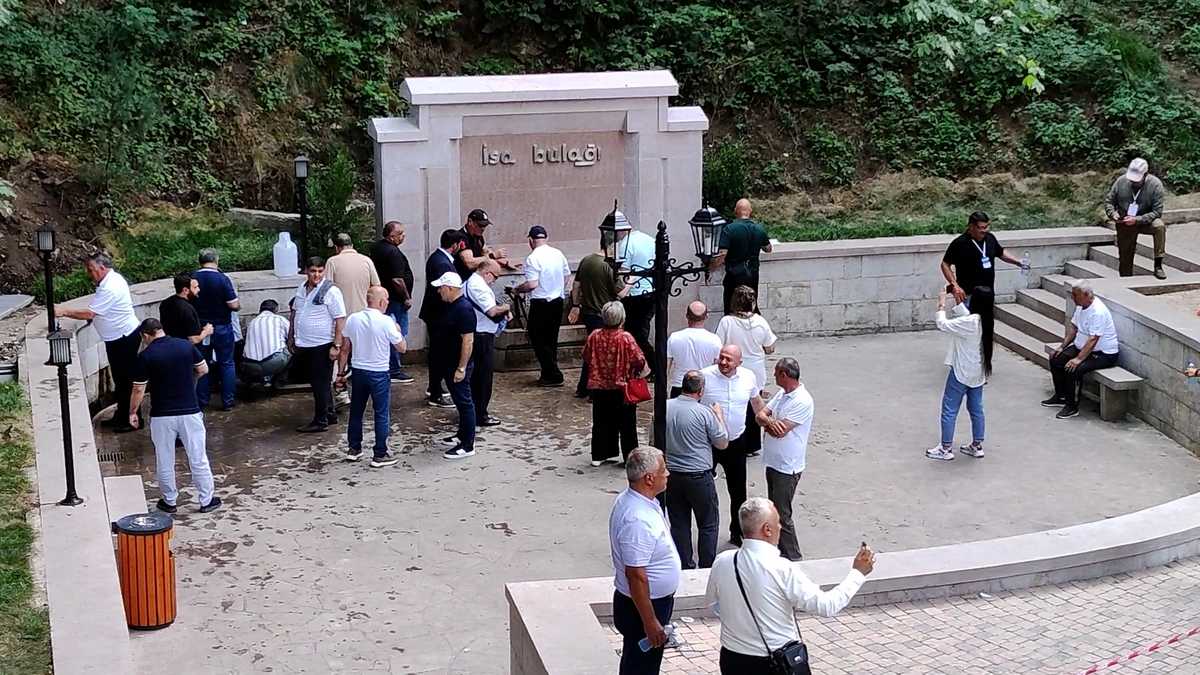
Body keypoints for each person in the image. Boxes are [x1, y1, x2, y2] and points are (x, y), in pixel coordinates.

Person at [706, 498, 874, 675]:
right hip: (773, 663)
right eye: (777, 522)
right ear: (767, 529)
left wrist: (740, 620)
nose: (780, 527)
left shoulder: (723, 561)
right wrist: (858, 573)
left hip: (732, 659)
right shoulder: (782, 569)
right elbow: (826, 605)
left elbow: (713, 605)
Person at [127, 318, 220, 514]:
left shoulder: (146, 355)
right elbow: (203, 369)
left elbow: (138, 389)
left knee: (165, 459)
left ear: (145, 335)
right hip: (190, 411)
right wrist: (190, 380)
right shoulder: (185, 346)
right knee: (198, 457)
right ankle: (206, 500)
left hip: (162, 415)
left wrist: (133, 412)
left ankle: (169, 501)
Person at [608, 447, 681, 675]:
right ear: (649, 478)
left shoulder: (638, 502)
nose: (667, 473)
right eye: (663, 469)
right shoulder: (637, 520)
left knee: (640, 662)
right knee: (641, 667)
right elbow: (636, 575)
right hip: (642, 607)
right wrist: (649, 621)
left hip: (646, 603)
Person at [54, 253, 142, 432]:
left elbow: (90, 312)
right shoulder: (110, 281)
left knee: (126, 381)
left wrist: (64, 312)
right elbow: (100, 310)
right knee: (121, 380)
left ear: (101, 268)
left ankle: (133, 420)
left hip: (123, 338)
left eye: (90, 270)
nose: (89, 274)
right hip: (118, 337)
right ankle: (122, 414)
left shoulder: (110, 286)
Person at [700, 345, 764, 546]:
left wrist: (770, 424)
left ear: (739, 363)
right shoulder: (705, 376)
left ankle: (738, 532)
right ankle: (706, 532)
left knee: (738, 491)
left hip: (736, 442)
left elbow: (756, 404)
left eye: (729, 359)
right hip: (707, 443)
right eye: (721, 357)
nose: (723, 362)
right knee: (702, 489)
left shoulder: (748, 377)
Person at [664, 370, 728, 569]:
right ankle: (707, 567)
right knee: (708, 524)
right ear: (701, 391)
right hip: (699, 477)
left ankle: (684, 566)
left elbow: (653, 441)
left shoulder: (664, 408)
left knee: (679, 524)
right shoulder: (704, 413)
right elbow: (722, 443)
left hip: (672, 476)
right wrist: (719, 416)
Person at [337, 286, 406, 468]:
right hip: (379, 372)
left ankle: (354, 448)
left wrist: (340, 373)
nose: (388, 302)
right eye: (387, 299)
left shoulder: (353, 319)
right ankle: (380, 454)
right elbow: (402, 348)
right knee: (381, 413)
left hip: (358, 370)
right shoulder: (386, 321)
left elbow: (345, 349)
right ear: (381, 302)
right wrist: (398, 330)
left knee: (356, 411)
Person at [753, 358, 813, 562]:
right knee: (775, 509)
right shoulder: (782, 394)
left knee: (782, 514)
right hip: (773, 461)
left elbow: (780, 431)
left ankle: (793, 556)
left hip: (787, 465)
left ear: (784, 375)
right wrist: (770, 422)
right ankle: (780, 551)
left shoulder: (802, 400)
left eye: (776, 373)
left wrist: (767, 422)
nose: (774, 376)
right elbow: (760, 415)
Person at [926, 286, 995, 461]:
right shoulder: (987, 320)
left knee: (949, 408)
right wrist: (957, 300)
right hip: (978, 373)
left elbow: (943, 324)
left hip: (961, 371)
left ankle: (945, 448)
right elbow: (967, 316)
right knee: (976, 408)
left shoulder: (969, 323)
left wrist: (941, 304)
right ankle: (977, 445)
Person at [582, 301, 648, 467]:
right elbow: (638, 359)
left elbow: (586, 355)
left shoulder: (594, 335)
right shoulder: (625, 338)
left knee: (601, 421)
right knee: (627, 424)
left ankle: (599, 455)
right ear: (622, 318)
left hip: (599, 386)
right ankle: (629, 457)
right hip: (622, 387)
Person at [1043, 279, 1120, 420]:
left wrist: (1078, 359)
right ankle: (1061, 395)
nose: (1072, 298)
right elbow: (1073, 328)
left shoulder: (1098, 312)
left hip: (1103, 354)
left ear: (1086, 295)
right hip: (1082, 347)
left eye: (1075, 295)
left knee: (1073, 369)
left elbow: (1093, 339)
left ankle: (1072, 406)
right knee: (1056, 359)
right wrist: (1062, 347)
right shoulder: (1081, 306)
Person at [716, 286, 777, 457]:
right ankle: (752, 444)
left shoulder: (727, 322)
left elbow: (718, 344)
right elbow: (770, 348)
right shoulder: (761, 322)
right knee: (754, 406)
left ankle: (733, 441)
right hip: (755, 370)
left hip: (734, 369)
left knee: (733, 405)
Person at [289, 257, 347, 433]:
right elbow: (295, 312)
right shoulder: (302, 288)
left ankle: (320, 420)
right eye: (313, 271)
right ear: (306, 271)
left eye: (320, 271)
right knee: (319, 383)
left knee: (320, 384)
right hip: (306, 343)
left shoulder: (331, 291)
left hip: (321, 344)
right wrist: (291, 336)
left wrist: (336, 345)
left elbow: (340, 319)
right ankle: (329, 414)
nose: (317, 275)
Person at [570, 242, 633, 399]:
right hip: (605, 315)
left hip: (588, 313)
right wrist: (631, 280)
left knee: (592, 350)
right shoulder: (609, 266)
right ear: (611, 247)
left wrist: (575, 305)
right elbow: (621, 293)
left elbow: (576, 286)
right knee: (602, 354)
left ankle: (583, 387)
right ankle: (594, 390)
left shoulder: (586, 260)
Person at [513, 225, 571, 387]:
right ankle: (548, 373)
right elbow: (566, 275)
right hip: (557, 301)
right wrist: (557, 288)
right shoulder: (558, 253)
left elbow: (532, 284)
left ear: (531, 241)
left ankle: (553, 373)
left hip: (541, 303)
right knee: (551, 338)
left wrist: (518, 289)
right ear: (546, 238)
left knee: (537, 338)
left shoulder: (533, 258)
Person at [431, 272, 478, 460]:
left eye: (441, 288)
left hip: (456, 365)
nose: (439, 291)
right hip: (448, 363)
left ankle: (467, 444)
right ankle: (461, 435)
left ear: (449, 288)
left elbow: (468, 340)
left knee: (465, 403)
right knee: (460, 402)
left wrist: (461, 368)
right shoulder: (453, 306)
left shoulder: (463, 309)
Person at [940, 211, 1026, 307]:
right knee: (969, 316)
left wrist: (1016, 261)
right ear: (971, 226)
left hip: (988, 293)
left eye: (986, 227)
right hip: (968, 295)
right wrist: (955, 285)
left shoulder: (990, 238)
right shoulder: (959, 243)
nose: (983, 231)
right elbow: (945, 264)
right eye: (980, 228)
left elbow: (1000, 252)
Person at [419, 229, 464, 409]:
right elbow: (445, 294)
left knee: (437, 352)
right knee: (439, 353)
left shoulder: (438, 258)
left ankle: (435, 387)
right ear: (454, 245)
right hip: (438, 315)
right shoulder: (442, 263)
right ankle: (436, 393)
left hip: (435, 314)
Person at [192, 248, 242, 412]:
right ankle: (228, 401)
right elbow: (233, 305)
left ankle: (202, 400)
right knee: (226, 363)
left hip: (201, 328)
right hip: (221, 327)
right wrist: (238, 306)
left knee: (201, 363)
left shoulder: (193, 278)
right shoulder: (222, 279)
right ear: (216, 260)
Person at [465, 259, 511, 428]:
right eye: (495, 276)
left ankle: (475, 411)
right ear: (486, 272)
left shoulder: (471, 282)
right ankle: (480, 414)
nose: (494, 281)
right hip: (482, 335)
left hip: (479, 333)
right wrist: (506, 307)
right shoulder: (479, 287)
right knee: (482, 377)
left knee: (477, 376)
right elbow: (491, 311)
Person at [369, 220, 415, 383]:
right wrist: (406, 298)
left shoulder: (377, 248)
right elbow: (397, 279)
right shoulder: (392, 253)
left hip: (384, 298)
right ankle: (394, 369)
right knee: (396, 332)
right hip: (395, 300)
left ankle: (390, 366)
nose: (403, 236)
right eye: (400, 234)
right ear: (391, 236)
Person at [1106, 158, 1168, 279]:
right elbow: (1109, 201)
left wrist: (1138, 219)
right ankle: (1125, 275)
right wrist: (1112, 213)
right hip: (1125, 221)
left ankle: (1158, 264)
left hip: (1146, 220)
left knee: (1159, 226)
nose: (1134, 182)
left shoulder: (1155, 185)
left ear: (1145, 175)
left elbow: (1157, 212)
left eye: (1137, 180)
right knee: (1125, 256)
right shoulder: (1121, 181)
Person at [711, 199, 771, 316]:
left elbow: (722, 255)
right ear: (750, 211)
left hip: (734, 274)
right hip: (753, 274)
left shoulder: (729, 229)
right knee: (751, 306)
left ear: (735, 211)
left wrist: (711, 270)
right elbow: (768, 249)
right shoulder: (759, 229)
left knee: (731, 308)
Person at [619, 223, 657, 378]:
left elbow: (623, 271)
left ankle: (651, 366)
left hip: (634, 294)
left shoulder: (626, 244)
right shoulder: (649, 239)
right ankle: (644, 366)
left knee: (635, 334)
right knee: (641, 331)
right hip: (651, 291)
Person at [666, 302, 722, 399]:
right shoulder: (714, 339)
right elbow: (718, 367)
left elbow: (666, 366)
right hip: (704, 387)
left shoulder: (674, 337)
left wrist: (663, 388)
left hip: (680, 385)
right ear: (706, 316)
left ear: (687, 315)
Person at [453, 208, 520, 279]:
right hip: (463, 279)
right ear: (470, 222)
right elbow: (470, 263)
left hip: (476, 278)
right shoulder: (462, 237)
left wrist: (505, 262)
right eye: (480, 225)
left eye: (485, 226)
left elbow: (486, 252)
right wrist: (492, 256)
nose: (483, 228)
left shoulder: (478, 236)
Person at [325, 233, 381, 315]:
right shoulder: (367, 261)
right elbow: (377, 287)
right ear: (352, 245)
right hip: (363, 313)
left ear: (336, 248)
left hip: (341, 314)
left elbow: (326, 288)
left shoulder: (332, 262)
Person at [238, 299, 291, 386]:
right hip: (274, 363)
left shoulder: (252, 322)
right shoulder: (280, 319)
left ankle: (255, 381)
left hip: (250, 366)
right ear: (276, 310)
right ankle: (279, 381)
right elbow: (292, 336)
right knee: (291, 349)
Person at [159, 273, 212, 345]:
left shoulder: (165, 303)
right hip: (185, 347)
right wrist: (207, 331)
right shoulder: (187, 309)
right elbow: (194, 339)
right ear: (185, 290)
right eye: (195, 287)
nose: (198, 290)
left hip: (170, 344)